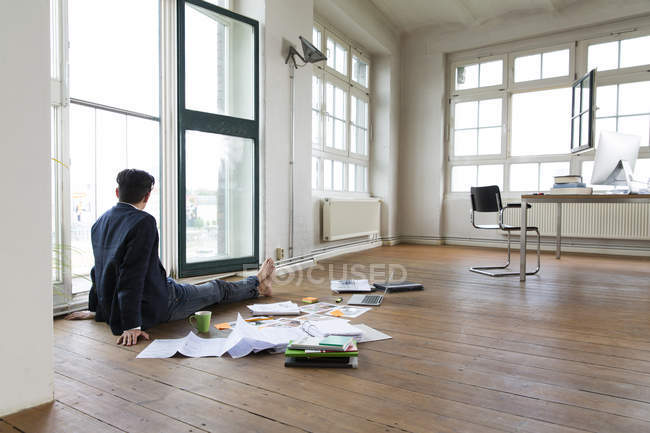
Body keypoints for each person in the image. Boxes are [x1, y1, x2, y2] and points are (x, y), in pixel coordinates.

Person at [65, 169, 274, 346]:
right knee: (217, 289)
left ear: (117, 192)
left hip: (157, 289)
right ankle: (256, 282)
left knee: (195, 288)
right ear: (147, 196)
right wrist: (131, 325)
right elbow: (132, 275)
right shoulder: (143, 221)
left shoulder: (100, 222)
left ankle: (257, 286)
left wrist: (97, 309)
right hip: (163, 301)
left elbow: (98, 269)